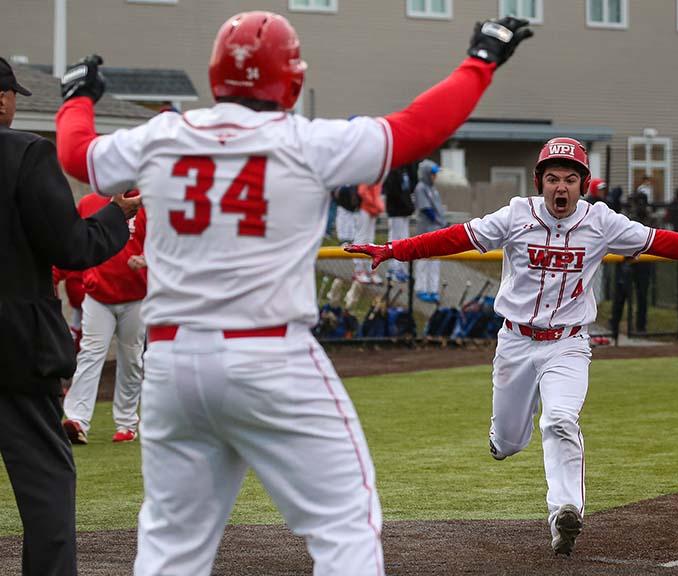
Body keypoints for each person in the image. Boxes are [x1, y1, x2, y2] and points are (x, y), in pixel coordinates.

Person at [55, 12, 531, 575]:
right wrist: (481, 61)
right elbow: (417, 129)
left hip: (173, 360)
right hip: (269, 354)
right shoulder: (305, 141)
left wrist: (77, 97)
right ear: (292, 77)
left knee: (171, 546)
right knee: (344, 527)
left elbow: (76, 153)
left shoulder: (163, 135)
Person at [346, 137, 678, 556]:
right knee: (508, 443)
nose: (560, 187)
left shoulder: (600, 221)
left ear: (582, 184)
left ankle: (565, 512)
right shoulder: (516, 215)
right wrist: (394, 249)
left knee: (561, 420)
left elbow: (659, 240)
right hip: (515, 342)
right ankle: (505, 435)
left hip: (567, 344)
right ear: (540, 183)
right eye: (552, 179)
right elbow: (457, 237)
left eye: (569, 179)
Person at [0, 56, 138, 576]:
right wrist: (115, 216)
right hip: (15, 350)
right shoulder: (26, 153)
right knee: (46, 485)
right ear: (1, 99)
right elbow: (72, 246)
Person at [59, 193, 147, 445]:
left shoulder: (145, 201)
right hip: (97, 295)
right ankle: (77, 420)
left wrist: (146, 259)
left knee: (131, 358)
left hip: (136, 296)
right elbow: (73, 241)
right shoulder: (88, 203)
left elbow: (162, 243)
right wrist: (55, 275)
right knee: (89, 353)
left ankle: (127, 422)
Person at [609, 187, 655, 335]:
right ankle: (614, 325)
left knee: (642, 294)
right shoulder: (626, 217)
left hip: (643, 263)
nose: (637, 206)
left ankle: (641, 326)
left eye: (639, 203)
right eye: (635, 203)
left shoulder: (649, 218)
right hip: (626, 261)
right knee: (621, 293)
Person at [414, 159, 446, 303]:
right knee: (423, 261)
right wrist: (438, 220)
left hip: (436, 230)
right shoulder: (421, 188)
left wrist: (441, 223)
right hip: (425, 230)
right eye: (433, 174)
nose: (435, 176)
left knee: (435, 262)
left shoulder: (433, 189)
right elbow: (425, 208)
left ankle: (433, 289)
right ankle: (421, 289)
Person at [383, 164, 418, 283]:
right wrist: (406, 204)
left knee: (403, 240)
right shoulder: (393, 171)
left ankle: (401, 269)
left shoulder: (405, 170)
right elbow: (393, 191)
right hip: (395, 212)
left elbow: (410, 187)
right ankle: (393, 269)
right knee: (394, 239)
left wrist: (408, 206)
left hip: (404, 212)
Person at [352, 183, 385, 284]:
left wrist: (378, 206)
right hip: (365, 208)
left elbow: (377, 194)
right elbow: (362, 191)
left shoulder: (379, 178)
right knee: (361, 238)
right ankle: (358, 270)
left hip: (373, 209)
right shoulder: (368, 177)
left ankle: (370, 269)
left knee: (370, 239)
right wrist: (375, 204)